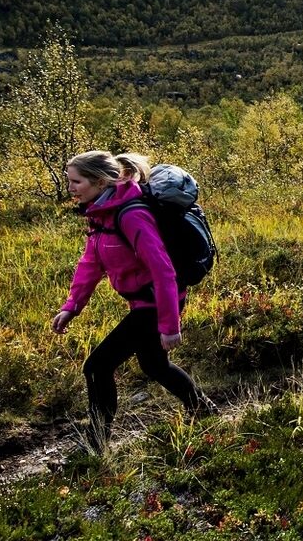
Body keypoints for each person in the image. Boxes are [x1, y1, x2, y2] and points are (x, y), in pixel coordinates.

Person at [51, 150, 203, 453]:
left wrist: (169, 325)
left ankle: (96, 443)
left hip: (156, 303)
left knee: (97, 366)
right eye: (70, 181)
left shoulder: (131, 215)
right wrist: (72, 306)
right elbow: (91, 262)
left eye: (76, 181)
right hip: (145, 302)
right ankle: (203, 411)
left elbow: (163, 269)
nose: (70, 187)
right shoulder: (101, 213)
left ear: (98, 181)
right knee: (155, 366)